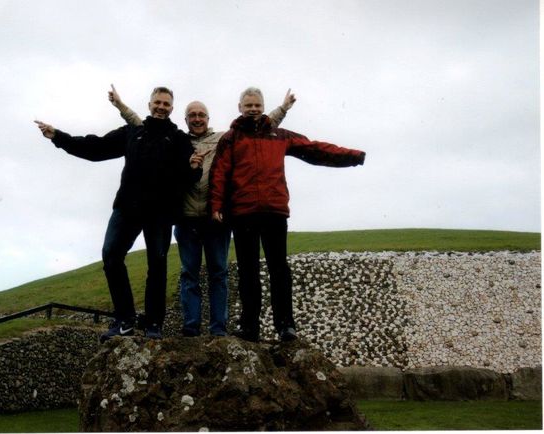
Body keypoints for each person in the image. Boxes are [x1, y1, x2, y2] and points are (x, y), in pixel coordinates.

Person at [109, 85, 296, 337]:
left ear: (208, 119)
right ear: (185, 119)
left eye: (202, 115)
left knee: (219, 274)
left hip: (216, 219)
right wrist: (120, 105)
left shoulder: (223, 138)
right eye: (192, 115)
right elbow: (142, 124)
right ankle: (191, 327)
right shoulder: (177, 140)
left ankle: (218, 329)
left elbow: (258, 124)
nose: (197, 118)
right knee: (189, 275)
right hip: (186, 220)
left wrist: (283, 108)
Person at [34, 86, 202, 341]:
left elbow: (188, 176)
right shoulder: (133, 132)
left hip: (160, 213)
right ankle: (124, 319)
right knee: (111, 255)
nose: (161, 107)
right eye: (157, 102)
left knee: (157, 265)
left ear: (172, 109)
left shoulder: (178, 139)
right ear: (149, 105)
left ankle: (153, 324)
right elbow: (96, 148)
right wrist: (58, 137)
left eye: (166, 104)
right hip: (127, 207)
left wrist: (193, 168)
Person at [210, 87, 366, 342]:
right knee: (248, 272)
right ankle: (250, 327)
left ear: (263, 106)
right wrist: (216, 205)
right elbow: (220, 172)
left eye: (257, 105)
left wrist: (353, 157)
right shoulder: (231, 138)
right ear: (240, 107)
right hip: (243, 213)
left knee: (279, 270)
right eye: (248, 105)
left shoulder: (279, 135)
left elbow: (314, 149)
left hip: (274, 211)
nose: (253, 109)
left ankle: (286, 326)